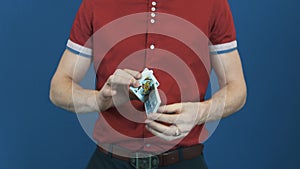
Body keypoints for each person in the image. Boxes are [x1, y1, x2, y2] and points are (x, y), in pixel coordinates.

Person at [49, 0, 247, 168]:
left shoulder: (213, 3)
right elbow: (58, 88)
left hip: (183, 159)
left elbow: (237, 88)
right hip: (110, 160)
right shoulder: (96, 3)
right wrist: (99, 100)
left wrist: (200, 113)